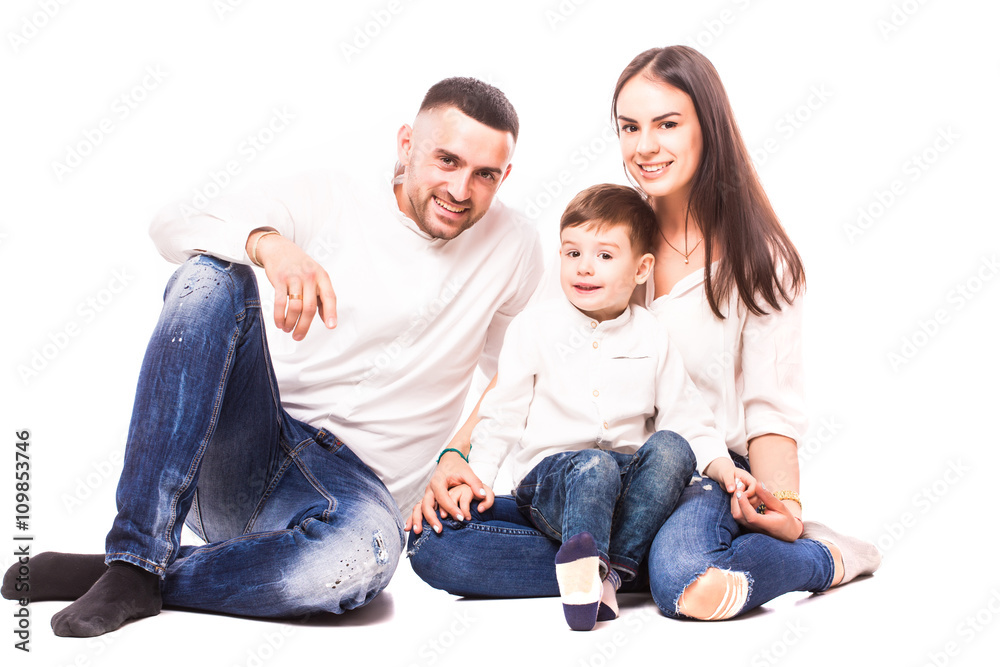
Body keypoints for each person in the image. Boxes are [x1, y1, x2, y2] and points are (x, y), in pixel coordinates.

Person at [1, 77, 543, 637]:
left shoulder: (516, 247)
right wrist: (270, 246)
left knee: (360, 564)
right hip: (248, 445)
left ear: (505, 177)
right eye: (446, 160)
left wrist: (462, 451)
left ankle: (137, 575)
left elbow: (524, 372)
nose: (460, 188)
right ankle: (138, 550)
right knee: (208, 274)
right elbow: (170, 223)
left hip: (356, 499)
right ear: (406, 145)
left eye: (484, 174)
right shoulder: (332, 194)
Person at [406, 47, 881, 619]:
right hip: (594, 484)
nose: (644, 146)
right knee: (437, 542)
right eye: (630, 127)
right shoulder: (606, 235)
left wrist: (784, 507)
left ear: (710, 127)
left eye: (667, 124)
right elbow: (530, 363)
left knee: (684, 584)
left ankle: (816, 556)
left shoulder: (762, 262)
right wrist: (458, 453)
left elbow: (771, 413)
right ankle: (626, 562)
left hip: (705, 474)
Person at [460, 183, 755, 630]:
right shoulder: (534, 328)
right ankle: (626, 564)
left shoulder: (651, 334)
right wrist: (478, 478)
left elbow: (685, 415)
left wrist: (722, 466)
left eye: (604, 255)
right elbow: (502, 414)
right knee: (441, 541)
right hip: (550, 483)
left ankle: (604, 573)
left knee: (673, 447)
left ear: (641, 269)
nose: (584, 268)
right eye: (572, 253)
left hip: (626, 491)